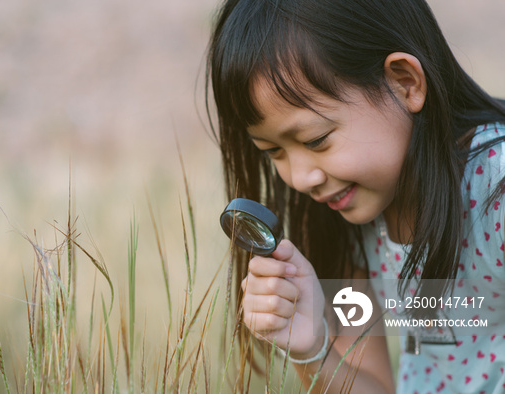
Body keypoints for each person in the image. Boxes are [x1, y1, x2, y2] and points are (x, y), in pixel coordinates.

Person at [205, 0, 505, 392]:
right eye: (273, 151)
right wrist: (312, 349)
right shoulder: (350, 223)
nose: (300, 178)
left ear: (404, 83)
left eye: (316, 139)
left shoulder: (495, 191)